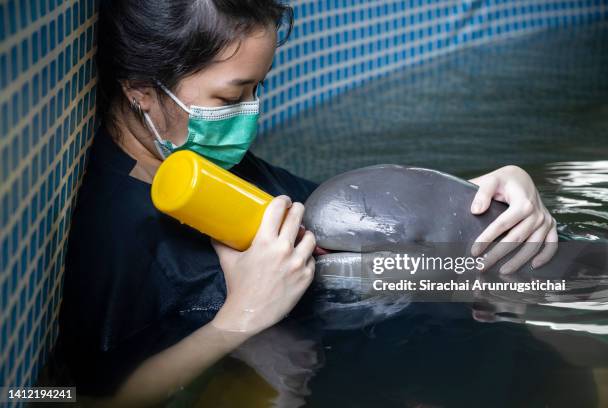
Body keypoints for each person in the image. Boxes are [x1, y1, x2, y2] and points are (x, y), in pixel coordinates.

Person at [55, 0, 558, 405]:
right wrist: (238, 320)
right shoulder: (114, 234)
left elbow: (361, 223)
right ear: (142, 91)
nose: (251, 116)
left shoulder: (218, 167)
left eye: (259, 89)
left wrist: (489, 195)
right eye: (232, 100)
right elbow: (64, 396)